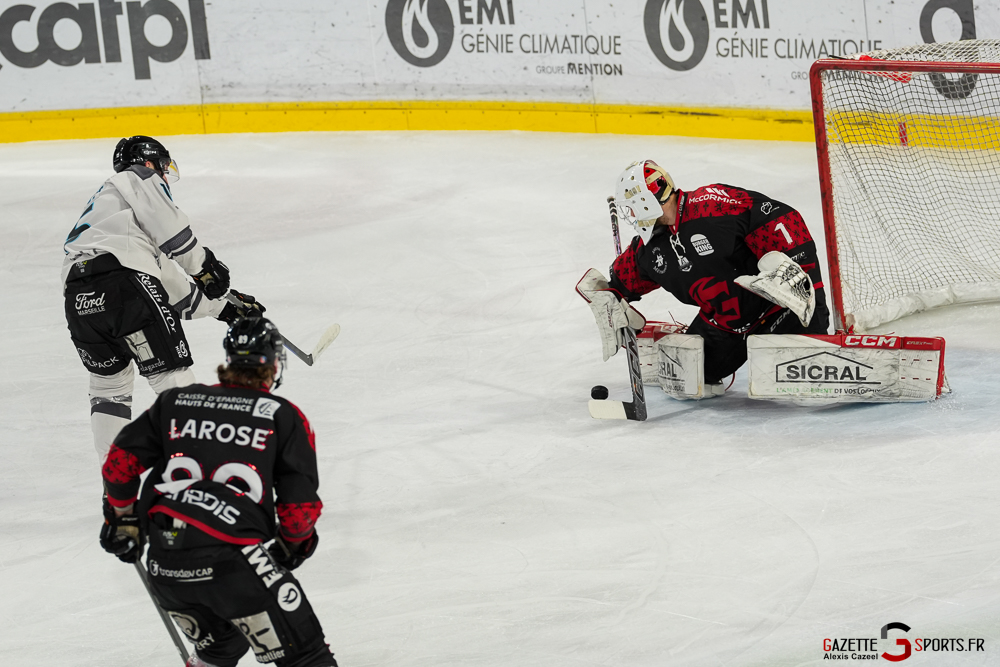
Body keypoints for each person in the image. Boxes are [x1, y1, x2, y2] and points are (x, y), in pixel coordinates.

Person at [99, 316, 338, 667]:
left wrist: (123, 519)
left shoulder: (177, 401)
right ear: (274, 363)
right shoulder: (281, 416)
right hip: (233, 560)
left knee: (221, 645)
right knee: (306, 654)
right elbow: (299, 511)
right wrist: (292, 545)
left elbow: (119, 463)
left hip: (165, 564)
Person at [62, 135, 263, 460]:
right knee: (171, 374)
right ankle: (202, 467)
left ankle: (114, 482)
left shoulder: (112, 221)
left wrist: (226, 309)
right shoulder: (137, 177)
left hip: (79, 300)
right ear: (149, 162)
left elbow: (170, 288)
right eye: (163, 168)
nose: (165, 177)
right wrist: (205, 267)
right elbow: (170, 230)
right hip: (125, 286)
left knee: (109, 391)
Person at [579, 160, 830, 395]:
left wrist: (796, 266)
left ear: (647, 202)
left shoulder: (710, 206)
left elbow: (778, 215)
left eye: (633, 206)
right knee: (688, 377)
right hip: (727, 325)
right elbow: (620, 283)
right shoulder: (651, 248)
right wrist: (607, 299)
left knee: (809, 370)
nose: (632, 215)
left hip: (780, 308)